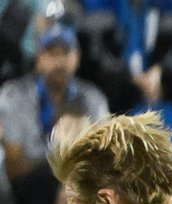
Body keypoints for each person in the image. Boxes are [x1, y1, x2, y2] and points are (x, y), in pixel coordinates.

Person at [0, 22, 108, 184]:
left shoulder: (93, 99)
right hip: (27, 191)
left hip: (78, 187)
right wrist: (62, 158)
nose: (59, 62)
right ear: (39, 58)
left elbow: (103, 159)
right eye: (52, 54)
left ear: (77, 57)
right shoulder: (15, 95)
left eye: (65, 53)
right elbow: (13, 167)